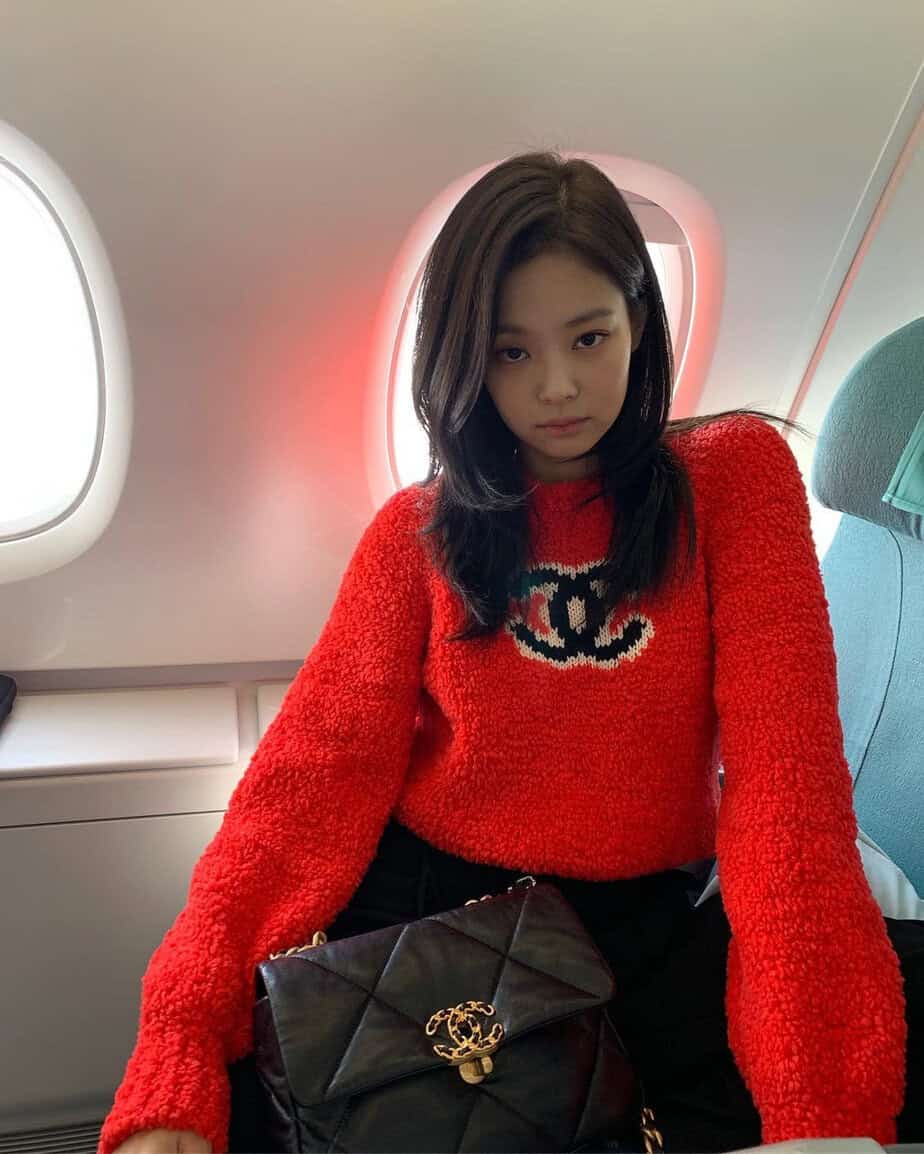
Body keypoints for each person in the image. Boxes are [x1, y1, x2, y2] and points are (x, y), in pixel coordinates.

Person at [100, 151, 912, 1154]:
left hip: (634, 924)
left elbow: (788, 790)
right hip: (431, 913)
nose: (558, 387)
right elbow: (303, 789)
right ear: (464, 361)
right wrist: (177, 1043)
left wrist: (823, 1114)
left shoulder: (736, 486)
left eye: (589, 336)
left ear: (639, 322)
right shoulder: (417, 535)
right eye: (511, 352)